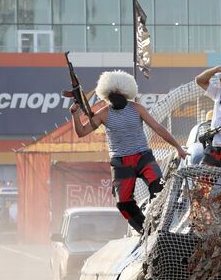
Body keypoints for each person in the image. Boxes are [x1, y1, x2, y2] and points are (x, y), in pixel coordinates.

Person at [70, 70, 187, 235]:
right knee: (123, 204)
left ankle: (158, 221)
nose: (116, 97)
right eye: (112, 94)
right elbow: (81, 132)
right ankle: (145, 230)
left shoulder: (137, 108)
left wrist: (178, 147)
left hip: (143, 157)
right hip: (121, 162)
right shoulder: (103, 114)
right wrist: (74, 114)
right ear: (106, 95)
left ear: (126, 93)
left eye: (119, 94)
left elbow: (158, 128)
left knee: (159, 186)